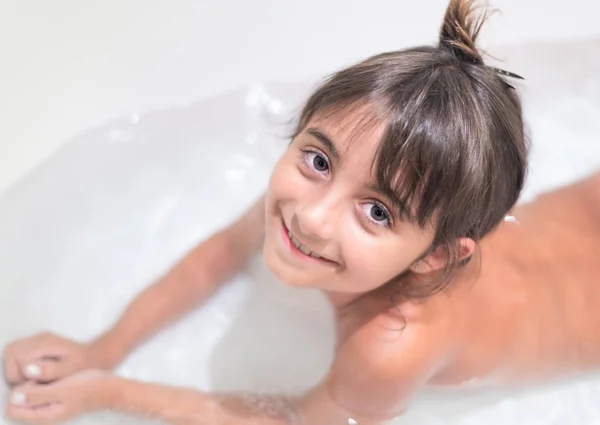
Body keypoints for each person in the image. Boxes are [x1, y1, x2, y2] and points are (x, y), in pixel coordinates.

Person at [4, 0, 598, 424]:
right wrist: (104, 347)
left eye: (378, 212)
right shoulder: (302, 196)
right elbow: (215, 259)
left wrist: (112, 391)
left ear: (436, 254)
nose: (312, 218)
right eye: (319, 159)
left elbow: (296, 421)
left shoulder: (391, 346)